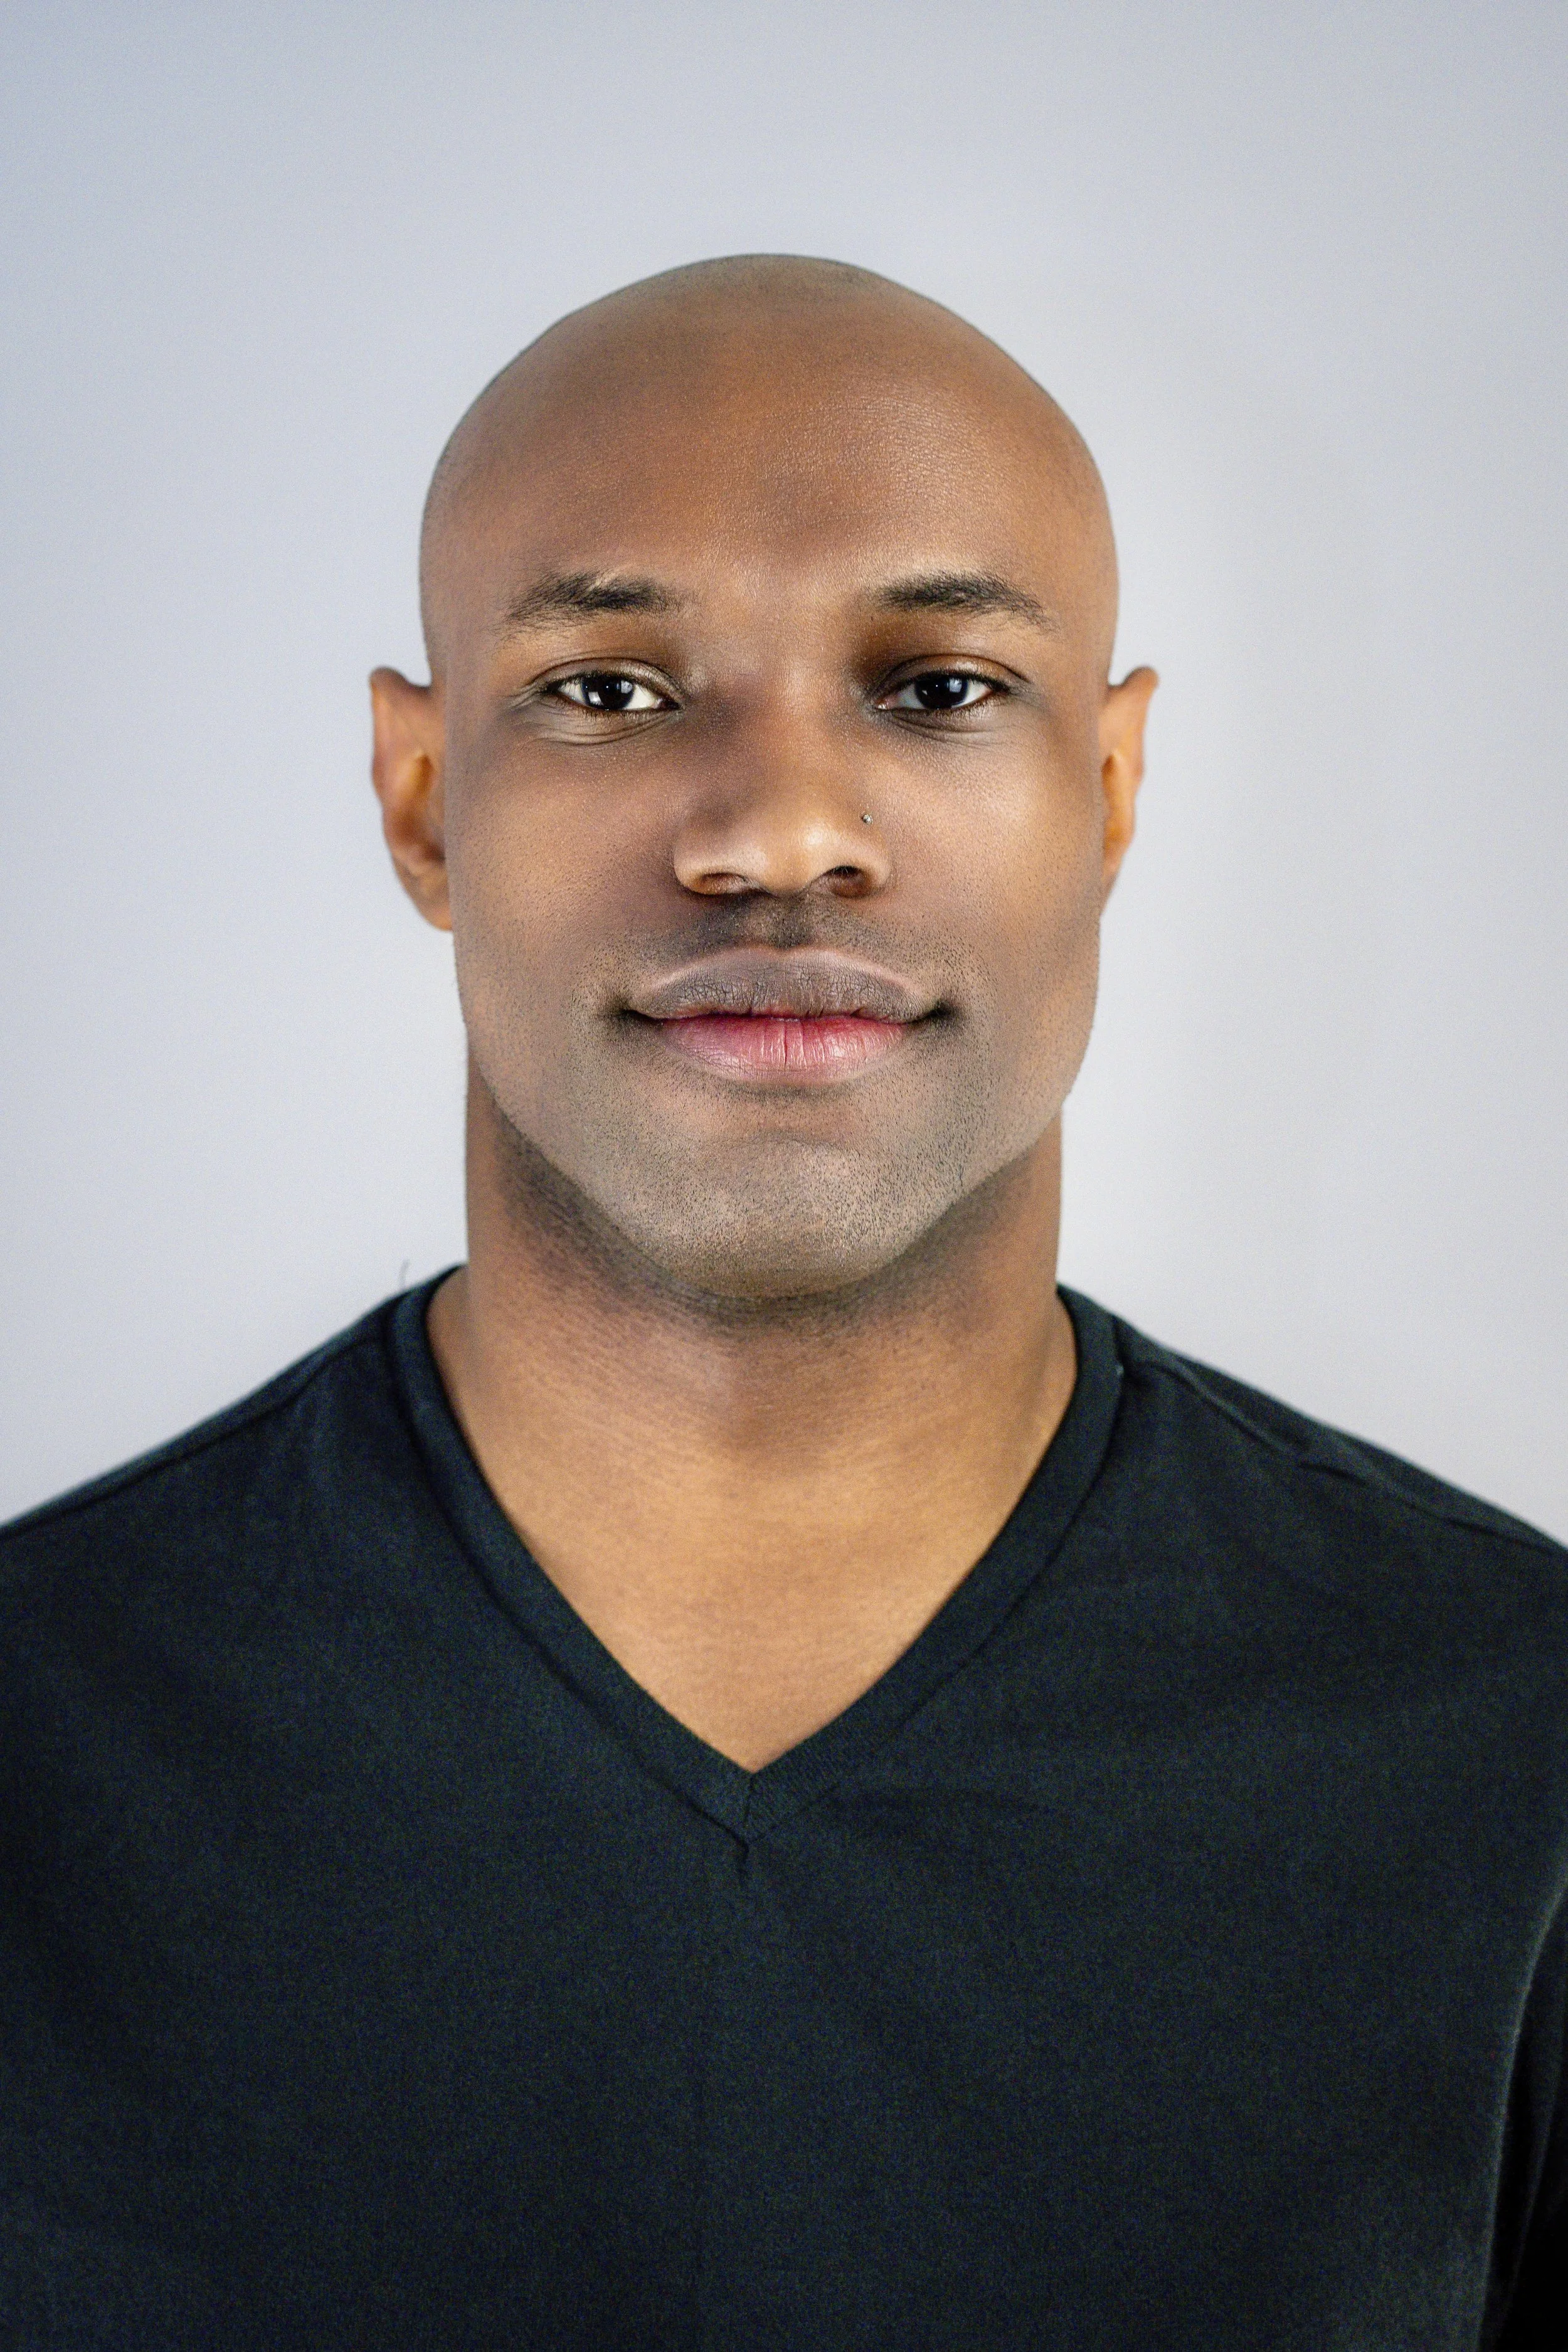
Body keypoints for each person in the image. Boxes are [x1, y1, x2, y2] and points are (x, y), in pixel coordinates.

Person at [1, 255, 1562, 2351]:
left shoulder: (1513, 1755)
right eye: (612, 691)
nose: (781, 836)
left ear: (1105, 793)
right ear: (421, 793)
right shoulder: (45, 1751)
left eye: (935, 688)